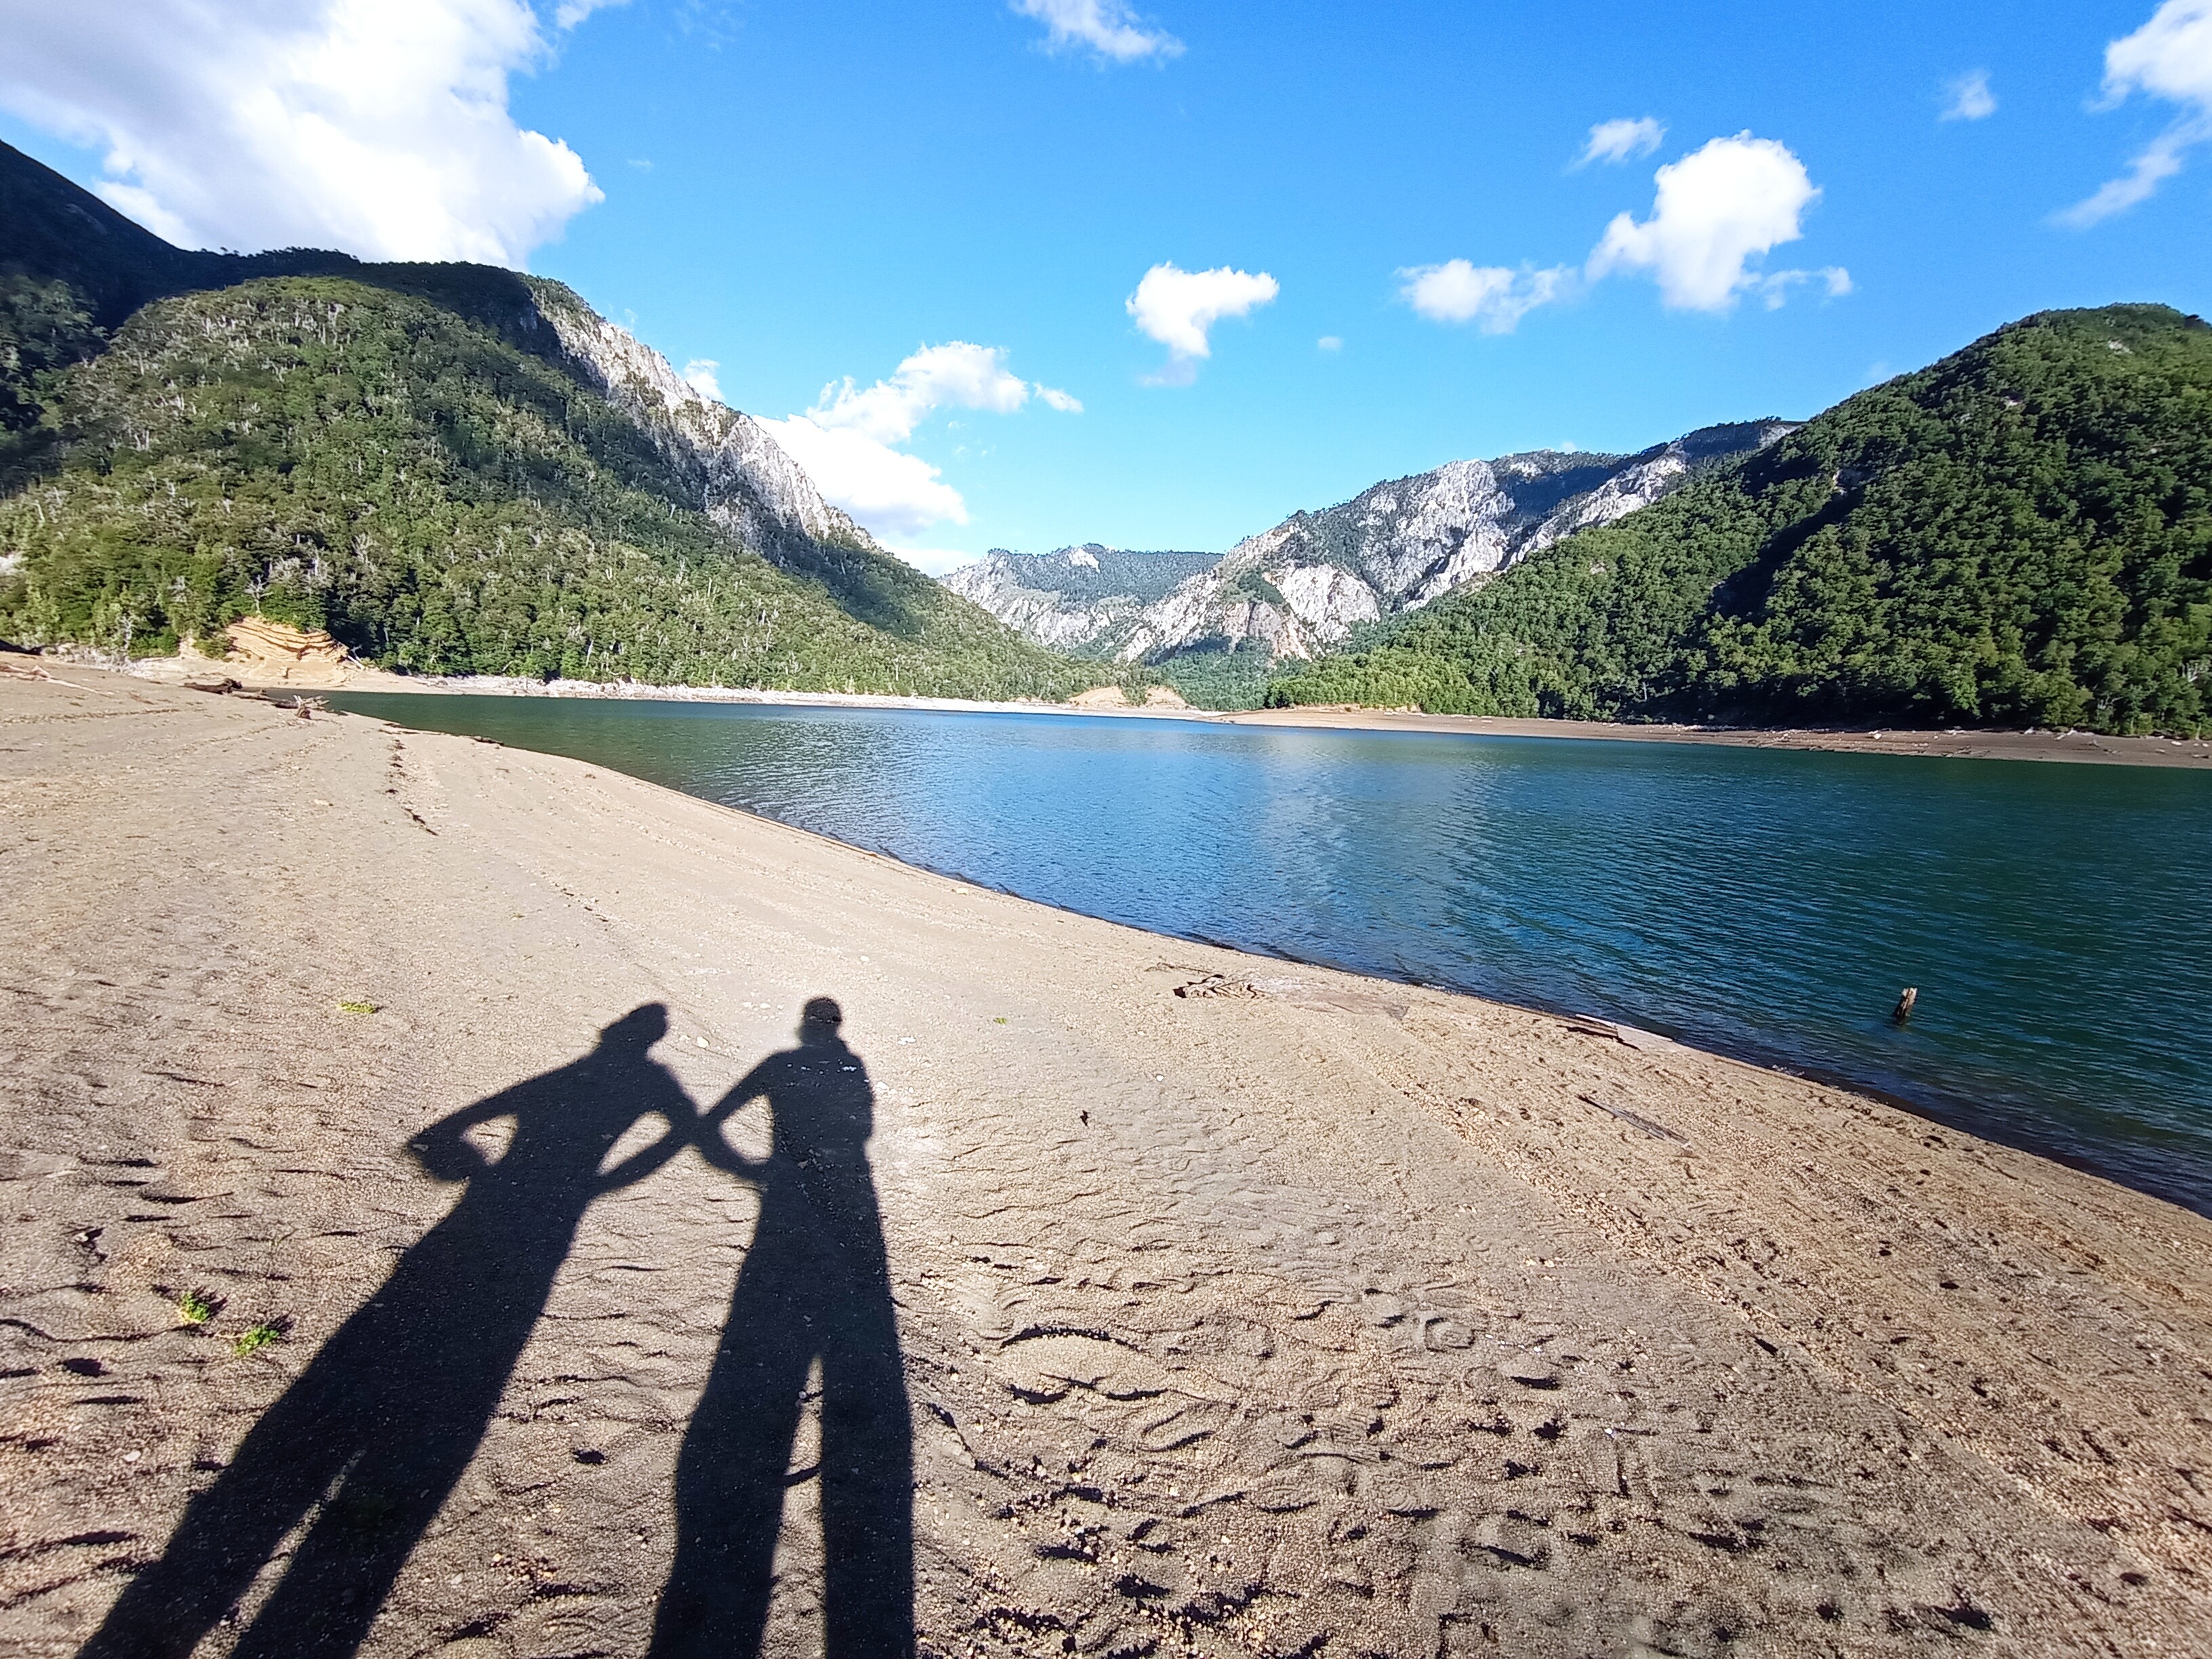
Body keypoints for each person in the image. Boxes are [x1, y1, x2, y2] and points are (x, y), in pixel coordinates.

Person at [81, 1004, 697, 1659]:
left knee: (387, 1343)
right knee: (480, 1352)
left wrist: (471, 1167)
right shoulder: (649, 1082)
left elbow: (442, 1132)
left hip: (485, 1207)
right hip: (550, 1220)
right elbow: (685, 1138)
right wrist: (603, 1182)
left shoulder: (573, 1074)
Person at [651, 997, 915, 1658]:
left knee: (752, 1352)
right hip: (846, 1201)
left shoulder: (779, 1063)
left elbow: (713, 1122)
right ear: (834, 1029)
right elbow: (863, 1132)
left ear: (806, 1027)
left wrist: (747, 1168)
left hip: (781, 1212)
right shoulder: (851, 1068)